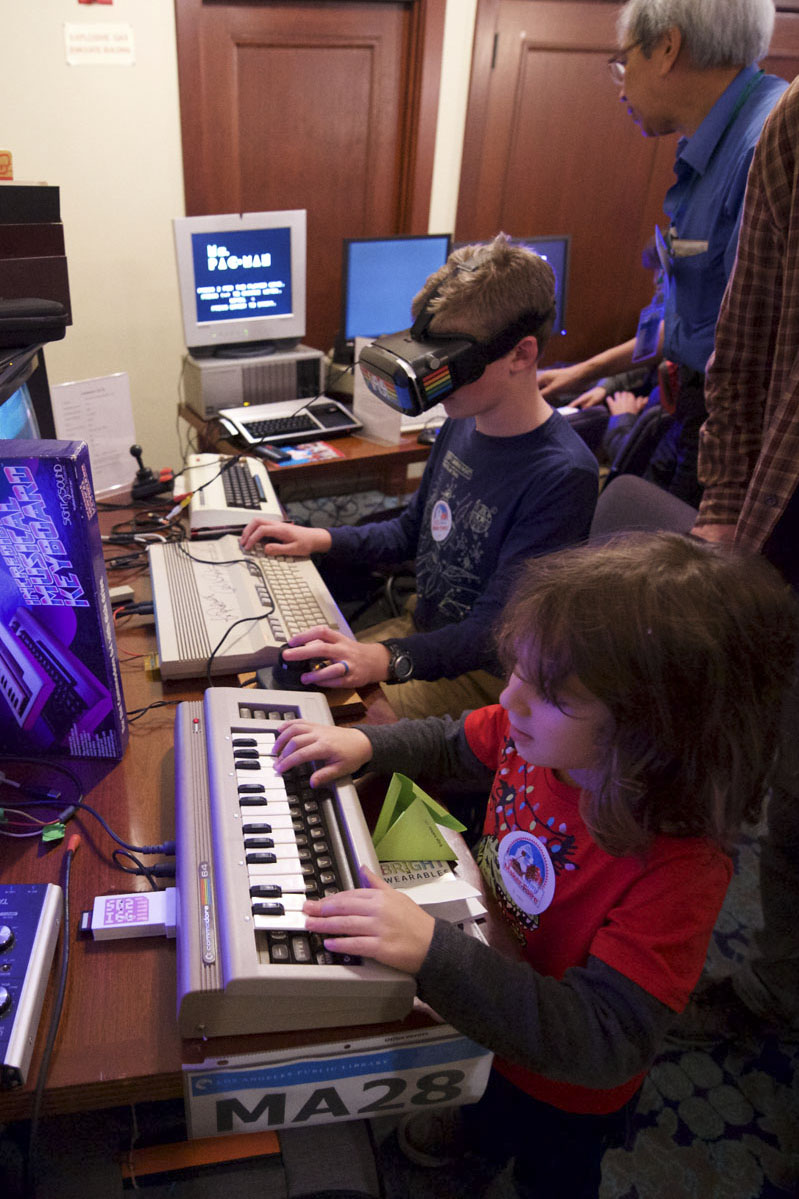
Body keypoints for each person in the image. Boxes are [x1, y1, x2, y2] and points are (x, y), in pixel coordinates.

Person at [272, 533, 797, 1198]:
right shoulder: (533, 733)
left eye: (551, 693)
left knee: (554, 1170)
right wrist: (366, 742)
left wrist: (434, 952)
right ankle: (477, 1129)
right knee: (484, 1092)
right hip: (496, 975)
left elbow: (607, 1036)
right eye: (517, 667)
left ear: (649, 731)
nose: (512, 698)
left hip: (566, 1086)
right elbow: (452, 740)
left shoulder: (679, 866)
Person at [241, 235, 598, 721]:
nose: (438, 379)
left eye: (457, 361)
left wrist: (382, 660)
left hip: (483, 678)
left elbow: (494, 631)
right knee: (271, 673)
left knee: (321, 729)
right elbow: (411, 533)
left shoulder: (561, 474)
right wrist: (318, 537)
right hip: (422, 631)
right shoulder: (461, 419)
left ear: (521, 354)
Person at [537, 0, 787, 507]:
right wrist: (587, 370)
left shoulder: (763, 147)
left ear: (668, 48)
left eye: (624, 62)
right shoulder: (712, 146)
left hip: (731, 441)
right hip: (690, 413)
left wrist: (726, 497)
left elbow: (758, 351)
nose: (622, 85)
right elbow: (694, 319)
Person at [671, 75, 799, 1044]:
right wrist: (720, 506)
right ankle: (773, 988)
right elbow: (744, 340)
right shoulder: (790, 128)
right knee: (786, 800)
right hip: (780, 541)